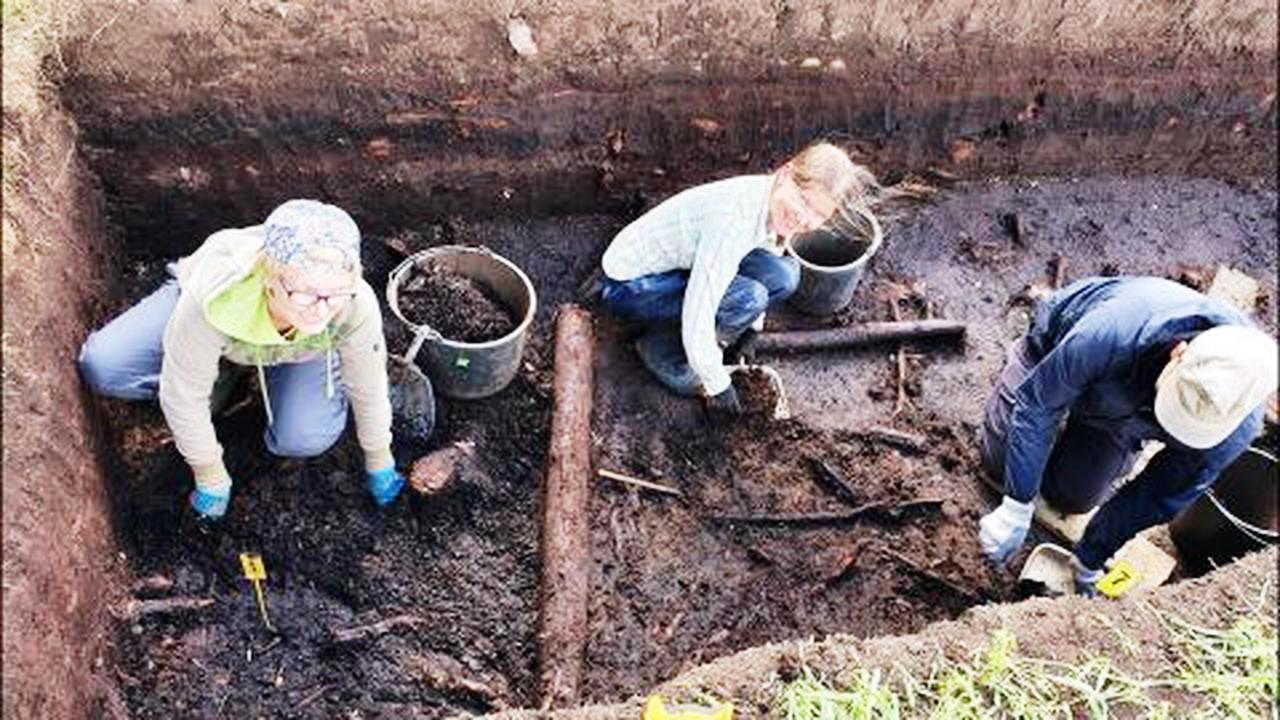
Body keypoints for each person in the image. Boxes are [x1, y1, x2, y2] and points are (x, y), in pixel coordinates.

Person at [79, 199, 405, 521]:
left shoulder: (352, 304)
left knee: (303, 436)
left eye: (333, 295)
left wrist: (380, 459)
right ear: (268, 277)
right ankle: (225, 374)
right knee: (105, 367)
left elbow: (368, 385)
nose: (320, 308)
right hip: (218, 328)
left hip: (300, 349)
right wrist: (210, 477)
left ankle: (245, 372)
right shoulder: (217, 298)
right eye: (304, 293)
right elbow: (183, 396)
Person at [977, 275, 1277, 594]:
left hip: (1119, 416)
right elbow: (1039, 404)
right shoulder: (1111, 333)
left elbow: (1157, 494)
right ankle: (1020, 382)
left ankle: (1086, 435)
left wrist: (1091, 557)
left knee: (1073, 497)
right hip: (1055, 354)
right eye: (1176, 406)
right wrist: (1017, 504)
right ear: (1179, 353)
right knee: (1002, 462)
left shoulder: (1232, 430)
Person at [597, 141, 878, 421]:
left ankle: (704, 345)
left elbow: (767, 255)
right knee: (748, 297)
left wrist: (753, 328)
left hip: (678, 269)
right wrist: (718, 386)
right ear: (785, 174)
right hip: (629, 287)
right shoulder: (734, 219)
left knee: (784, 275)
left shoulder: (771, 200)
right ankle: (662, 350)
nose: (804, 218)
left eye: (819, 214)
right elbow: (700, 308)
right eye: (803, 201)